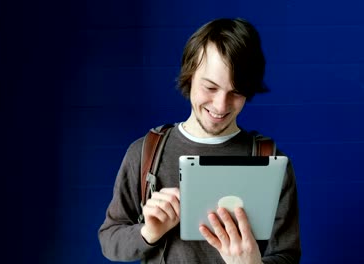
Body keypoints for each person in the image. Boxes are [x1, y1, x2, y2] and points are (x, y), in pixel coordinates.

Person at [98, 18, 301, 263]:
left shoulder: (271, 162)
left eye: (236, 92)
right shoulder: (145, 153)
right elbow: (110, 240)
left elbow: (287, 255)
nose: (220, 105)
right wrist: (149, 233)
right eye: (210, 87)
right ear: (190, 74)